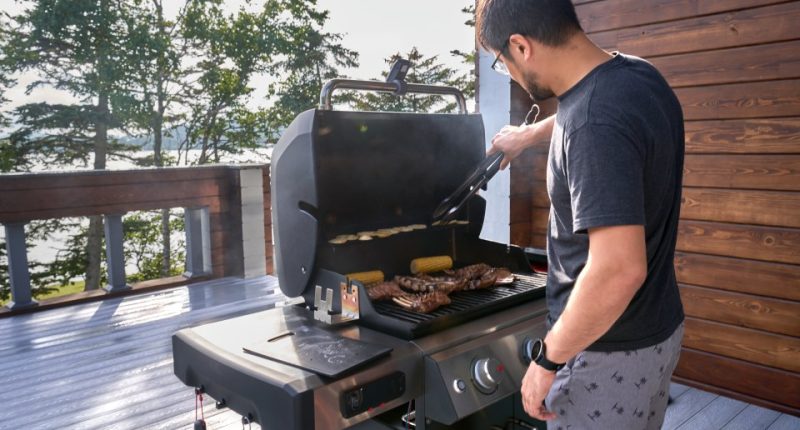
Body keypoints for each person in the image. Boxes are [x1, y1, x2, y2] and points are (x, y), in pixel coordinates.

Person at [475, 1, 686, 428]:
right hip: (656, 330)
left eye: (502, 63)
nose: (510, 73)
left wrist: (547, 360)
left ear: (520, 46)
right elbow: (588, 114)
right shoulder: (636, 76)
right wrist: (527, 135)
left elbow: (619, 269)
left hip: (604, 352)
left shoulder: (594, 124)